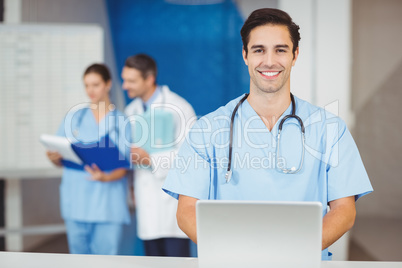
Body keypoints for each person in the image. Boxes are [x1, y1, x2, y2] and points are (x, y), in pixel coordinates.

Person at [162, 8, 373, 260]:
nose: (270, 61)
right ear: (245, 55)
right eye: (259, 50)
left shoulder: (329, 128)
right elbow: (186, 211)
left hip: (301, 262)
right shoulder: (207, 129)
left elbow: (344, 211)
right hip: (229, 262)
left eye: (281, 50)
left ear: (295, 55)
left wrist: (290, 252)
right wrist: (237, 254)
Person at [46, 63, 132, 255]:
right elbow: (60, 157)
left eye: (95, 84)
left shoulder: (122, 121)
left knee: (106, 262)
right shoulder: (74, 117)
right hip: (76, 200)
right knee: (78, 261)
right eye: (86, 85)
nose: (90, 90)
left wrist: (106, 177)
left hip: (107, 204)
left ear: (108, 84)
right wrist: (54, 157)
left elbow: (125, 164)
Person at [121, 54, 196, 257]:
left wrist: (150, 159)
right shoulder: (130, 110)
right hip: (146, 204)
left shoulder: (179, 107)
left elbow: (191, 156)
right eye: (124, 79)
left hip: (170, 204)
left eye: (131, 81)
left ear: (149, 79)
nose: (124, 86)